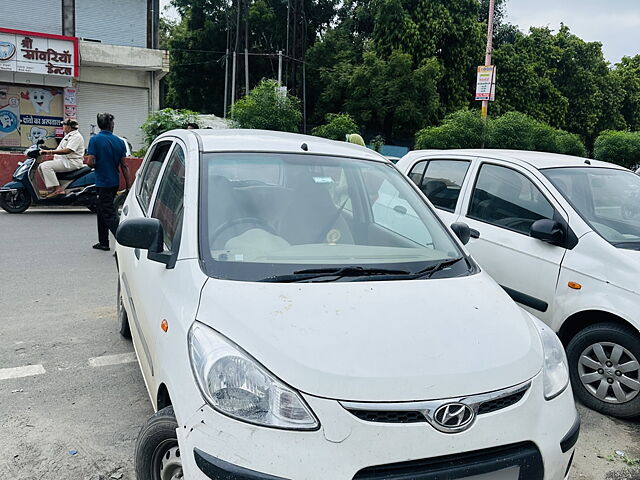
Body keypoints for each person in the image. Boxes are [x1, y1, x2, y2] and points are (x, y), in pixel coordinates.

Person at [86, 113, 132, 251]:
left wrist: (95, 165)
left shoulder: (95, 140)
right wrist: (129, 185)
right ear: (111, 125)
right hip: (114, 181)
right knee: (101, 210)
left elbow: (90, 162)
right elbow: (124, 165)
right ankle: (103, 242)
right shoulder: (119, 141)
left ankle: (126, 243)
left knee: (109, 214)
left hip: (103, 182)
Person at [38, 118, 85, 197]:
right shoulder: (68, 136)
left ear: (69, 127)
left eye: (64, 125)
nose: (63, 126)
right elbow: (60, 149)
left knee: (45, 166)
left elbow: (68, 150)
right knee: (40, 167)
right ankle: (53, 188)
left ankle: (58, 189)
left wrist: (50, 152)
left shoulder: (76, 137)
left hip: (71, 162)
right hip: (64, 161)